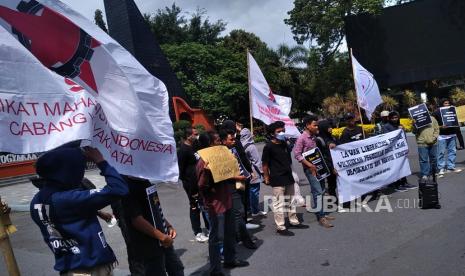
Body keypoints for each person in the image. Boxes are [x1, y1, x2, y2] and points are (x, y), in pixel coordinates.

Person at [30, 146, 128, 275]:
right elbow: (119, 189)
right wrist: (101, 162)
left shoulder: (37, 201)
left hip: (69, 266)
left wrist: (96, 212)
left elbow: (63, 215)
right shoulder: (68, 199)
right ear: (66, 172)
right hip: (91, 268)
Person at [197, 131, 249, 275]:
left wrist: (235, 174)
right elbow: (201, 186)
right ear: (209, 144)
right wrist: (207, 173)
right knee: (216, 238)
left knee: (230, 233)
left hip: (227, 200)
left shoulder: (222, 155)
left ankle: (230, 259)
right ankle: (215, 269)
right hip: (215, 205)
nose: (220, 143)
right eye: (217, 141)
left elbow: (225, 175)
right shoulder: (203, 162)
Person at [121, 176, 184, 276]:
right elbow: (137, 220)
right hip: (148, 244)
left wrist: (168, 226)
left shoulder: (146, 181)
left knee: (177, 268)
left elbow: (154, 208)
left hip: (163, 239)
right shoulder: (126, 187)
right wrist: (162, 237)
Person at [263, 121, 308, 235]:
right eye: (279, 131)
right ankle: (281, 226)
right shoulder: (268, 146)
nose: (282, 133)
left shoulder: (284, 144)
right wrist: (266, 178)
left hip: (288, 176)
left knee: (291, 200)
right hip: (277, 178)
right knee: (279, 203)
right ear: (272, 133)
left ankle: (293, 221)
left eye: (283, 130)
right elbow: (265, 165)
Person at [220, 129, 258, 249]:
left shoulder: (234, 148)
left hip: (240, 181)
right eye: (231, 139)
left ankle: (238, 236)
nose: (234, 141)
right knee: (238, 211)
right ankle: (244, 239)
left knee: (239, 209)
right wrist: (236, 177)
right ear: (223, 141)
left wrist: (248, 173)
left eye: (234, 138)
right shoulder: (220, 153)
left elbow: (240, 162)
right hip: (230, 185)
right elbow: (221, 173)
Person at [294, 116, 334, 228]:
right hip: (310, 169)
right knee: (317, 191)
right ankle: (321, 217)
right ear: (307, 125)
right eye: (314, 125)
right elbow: (297, 155)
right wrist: (309, 165)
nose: (317, 127)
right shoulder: (301, 138)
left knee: (321, 190)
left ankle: (322, 213)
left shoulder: (314, 137)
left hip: (319, 167)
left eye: (317, 125)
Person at [177, 126, 209, 243]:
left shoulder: (196, 146)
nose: (197, 135)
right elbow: (180, 171)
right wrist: (190, 185)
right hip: (191, 185)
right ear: (188, 136)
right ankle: (197, 232)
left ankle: (209, 228)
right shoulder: (183, 151)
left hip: (201, 181)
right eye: (195, 134)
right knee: (194, 207)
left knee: (205, 204)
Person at [239, 125, 267, 217]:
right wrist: (263, 172)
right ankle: (255, 210)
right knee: (254, 191)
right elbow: (257, 161)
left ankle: (249, 209)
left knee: (248, 192)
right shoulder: (251, 146)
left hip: (244, 172)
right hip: (253, 172)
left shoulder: (240, 145)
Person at [433, 98, 463, 176]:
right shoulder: (436, 112)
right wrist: (440, 127)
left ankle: (451, 166)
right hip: (442, 136)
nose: (447, 105)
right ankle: (441, 168)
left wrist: (457, 124)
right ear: (442, 104)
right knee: (441, 153)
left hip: (452, 134)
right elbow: (433, 124)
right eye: (445, 103)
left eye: (448, 103)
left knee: (452, 151)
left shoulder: (453, 110)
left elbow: (455, 120)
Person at [316, 119, 338, 204]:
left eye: (330, 126)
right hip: (329, 166)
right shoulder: (319, 140)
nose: (330, 128)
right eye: (328, 127)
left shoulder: (332, 137)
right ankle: (334, 202)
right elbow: (323, 156)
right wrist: (331, 168)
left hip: (337, 164)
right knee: (332, 184)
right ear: (323, 128)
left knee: (336, 184)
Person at [414, 113, 440, 179]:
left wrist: (434, 137)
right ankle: (425, 173)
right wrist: (414, 125)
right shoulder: (416, 120)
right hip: (422, 143)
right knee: (423, 160)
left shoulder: (432, 119)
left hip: (433, 142)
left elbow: (437, 129)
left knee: (434, 158)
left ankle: (434, 171)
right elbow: (414, 132)